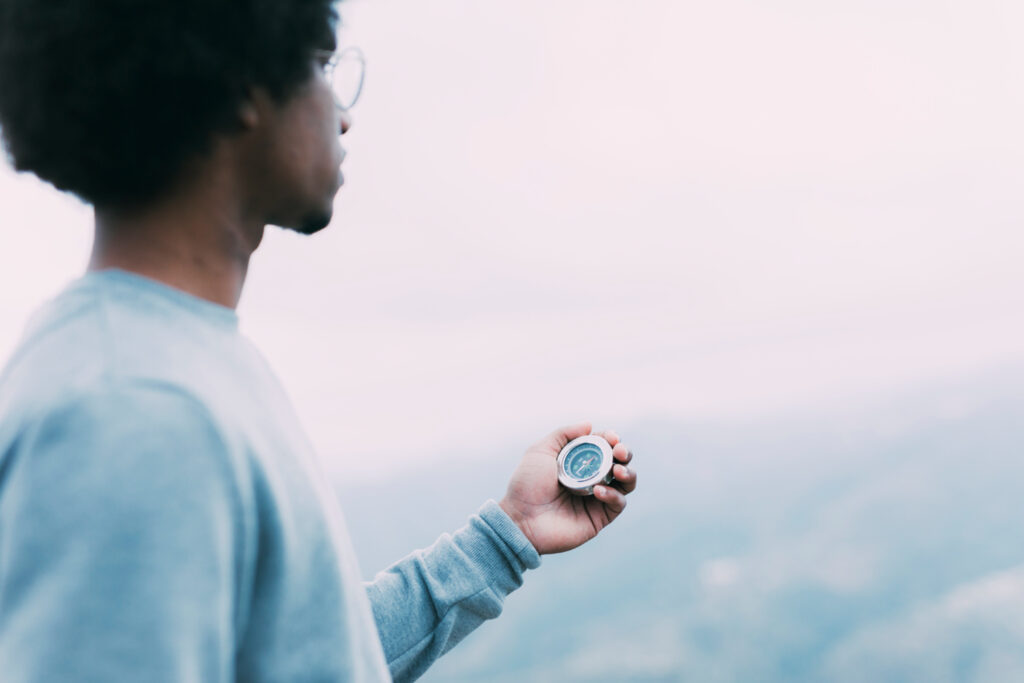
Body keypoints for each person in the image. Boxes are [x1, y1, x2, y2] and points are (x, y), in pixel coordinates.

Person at [0, 1, 637, 681]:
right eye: (321, 66)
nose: (343, 114)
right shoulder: (132, 410)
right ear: (245, 85)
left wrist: (505, 538)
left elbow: (303, 660)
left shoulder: (169, 361)